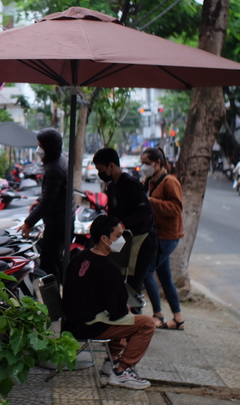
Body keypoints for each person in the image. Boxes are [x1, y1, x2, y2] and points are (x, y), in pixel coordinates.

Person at [62, 214, 156, 390]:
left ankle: (111, 361)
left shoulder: (79, 257)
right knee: (146, 324)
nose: (122, 240)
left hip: (72, 321)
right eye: (118, 236)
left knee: (124, 316)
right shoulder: (109, 268)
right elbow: (119, 311)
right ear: (105, 239)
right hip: (89, 325)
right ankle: (122, 371)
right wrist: (124, 309)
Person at [92, 147, 156, 302]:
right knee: (115, 275)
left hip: (142, 240)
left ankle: (135, 320)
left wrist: (123, 223)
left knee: (134, 284)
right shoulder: (111, 187)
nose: (100, 174)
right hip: (123, 240)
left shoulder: (131, 184)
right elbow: (113, 214)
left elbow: (146, 212)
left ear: (111, 166)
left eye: (101, 169)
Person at [140, 147, 185, 330]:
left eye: (147, 163)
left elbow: (176, 208)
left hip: (168, 236)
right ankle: (178, 318)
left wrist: (152, 202)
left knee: (146, 271)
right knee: (165, 277)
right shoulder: (150, 181)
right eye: (142, 163)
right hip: (156, 235)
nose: (143, 167)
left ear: (158, 163)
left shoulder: (170, 182)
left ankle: (158, 314)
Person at [16, 128, 68, 283]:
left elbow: (48, 201)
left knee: (50, 267)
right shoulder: (59, 160)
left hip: (58, 223)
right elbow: (51, 194)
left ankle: (55, 304)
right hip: (61, 220)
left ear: (49, 148)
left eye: (41, 146)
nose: (38, 150)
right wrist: (38, 201)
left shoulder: (55, 168)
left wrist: (28, 222)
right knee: (55, 263)